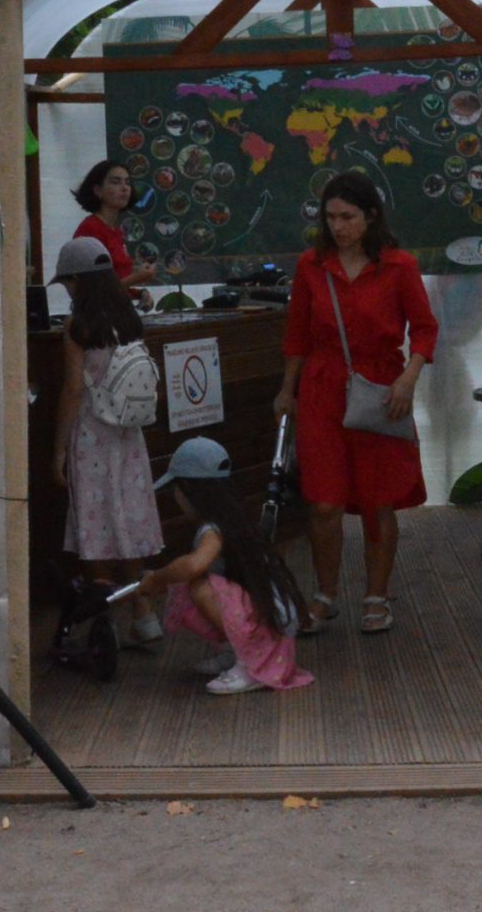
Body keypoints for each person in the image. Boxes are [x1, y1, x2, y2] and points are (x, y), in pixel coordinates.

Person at [273, 170, 436, 635]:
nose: (338, 226)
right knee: (323, 501)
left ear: (371, 215)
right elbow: (297, 335)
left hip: (381, 389)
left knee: (377, 500)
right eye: (330, 217)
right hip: (321, 387)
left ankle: (376, 595)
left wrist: (408, 378)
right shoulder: (311, 265)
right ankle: (325, 594)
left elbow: (425, 328)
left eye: (347, 217)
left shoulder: (399, 266)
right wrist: (287, 390)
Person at [52, 236, 165, 647]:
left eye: (67, 282)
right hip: (128, 436)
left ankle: (104, 619)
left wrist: (58, 450)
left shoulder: (78, 327)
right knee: (129, 517)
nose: (67, 290)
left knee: (95, 521)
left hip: (92, 435)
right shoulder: (128, 319)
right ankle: (144, 613)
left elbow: (72, 390)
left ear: (79, 281)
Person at [135, 436, 313, 695]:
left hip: (272, 625)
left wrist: (158, 578)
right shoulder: (234, 517)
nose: (176, 499)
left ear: (191, 490)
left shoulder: (214, 529)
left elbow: (194, 565)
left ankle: (250, 664)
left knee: (200, 587)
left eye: (176, 491)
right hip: (271, 619)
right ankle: (236, 651)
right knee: (190, 585)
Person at [70, 159, 157, 286]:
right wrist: (136, 278)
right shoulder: (90, 229)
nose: (125, 188)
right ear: (98, 190)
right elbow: (93, 289)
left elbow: (118, 280)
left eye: (128, 183)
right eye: (115, 182)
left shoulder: (115, 231)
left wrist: (140, 293)